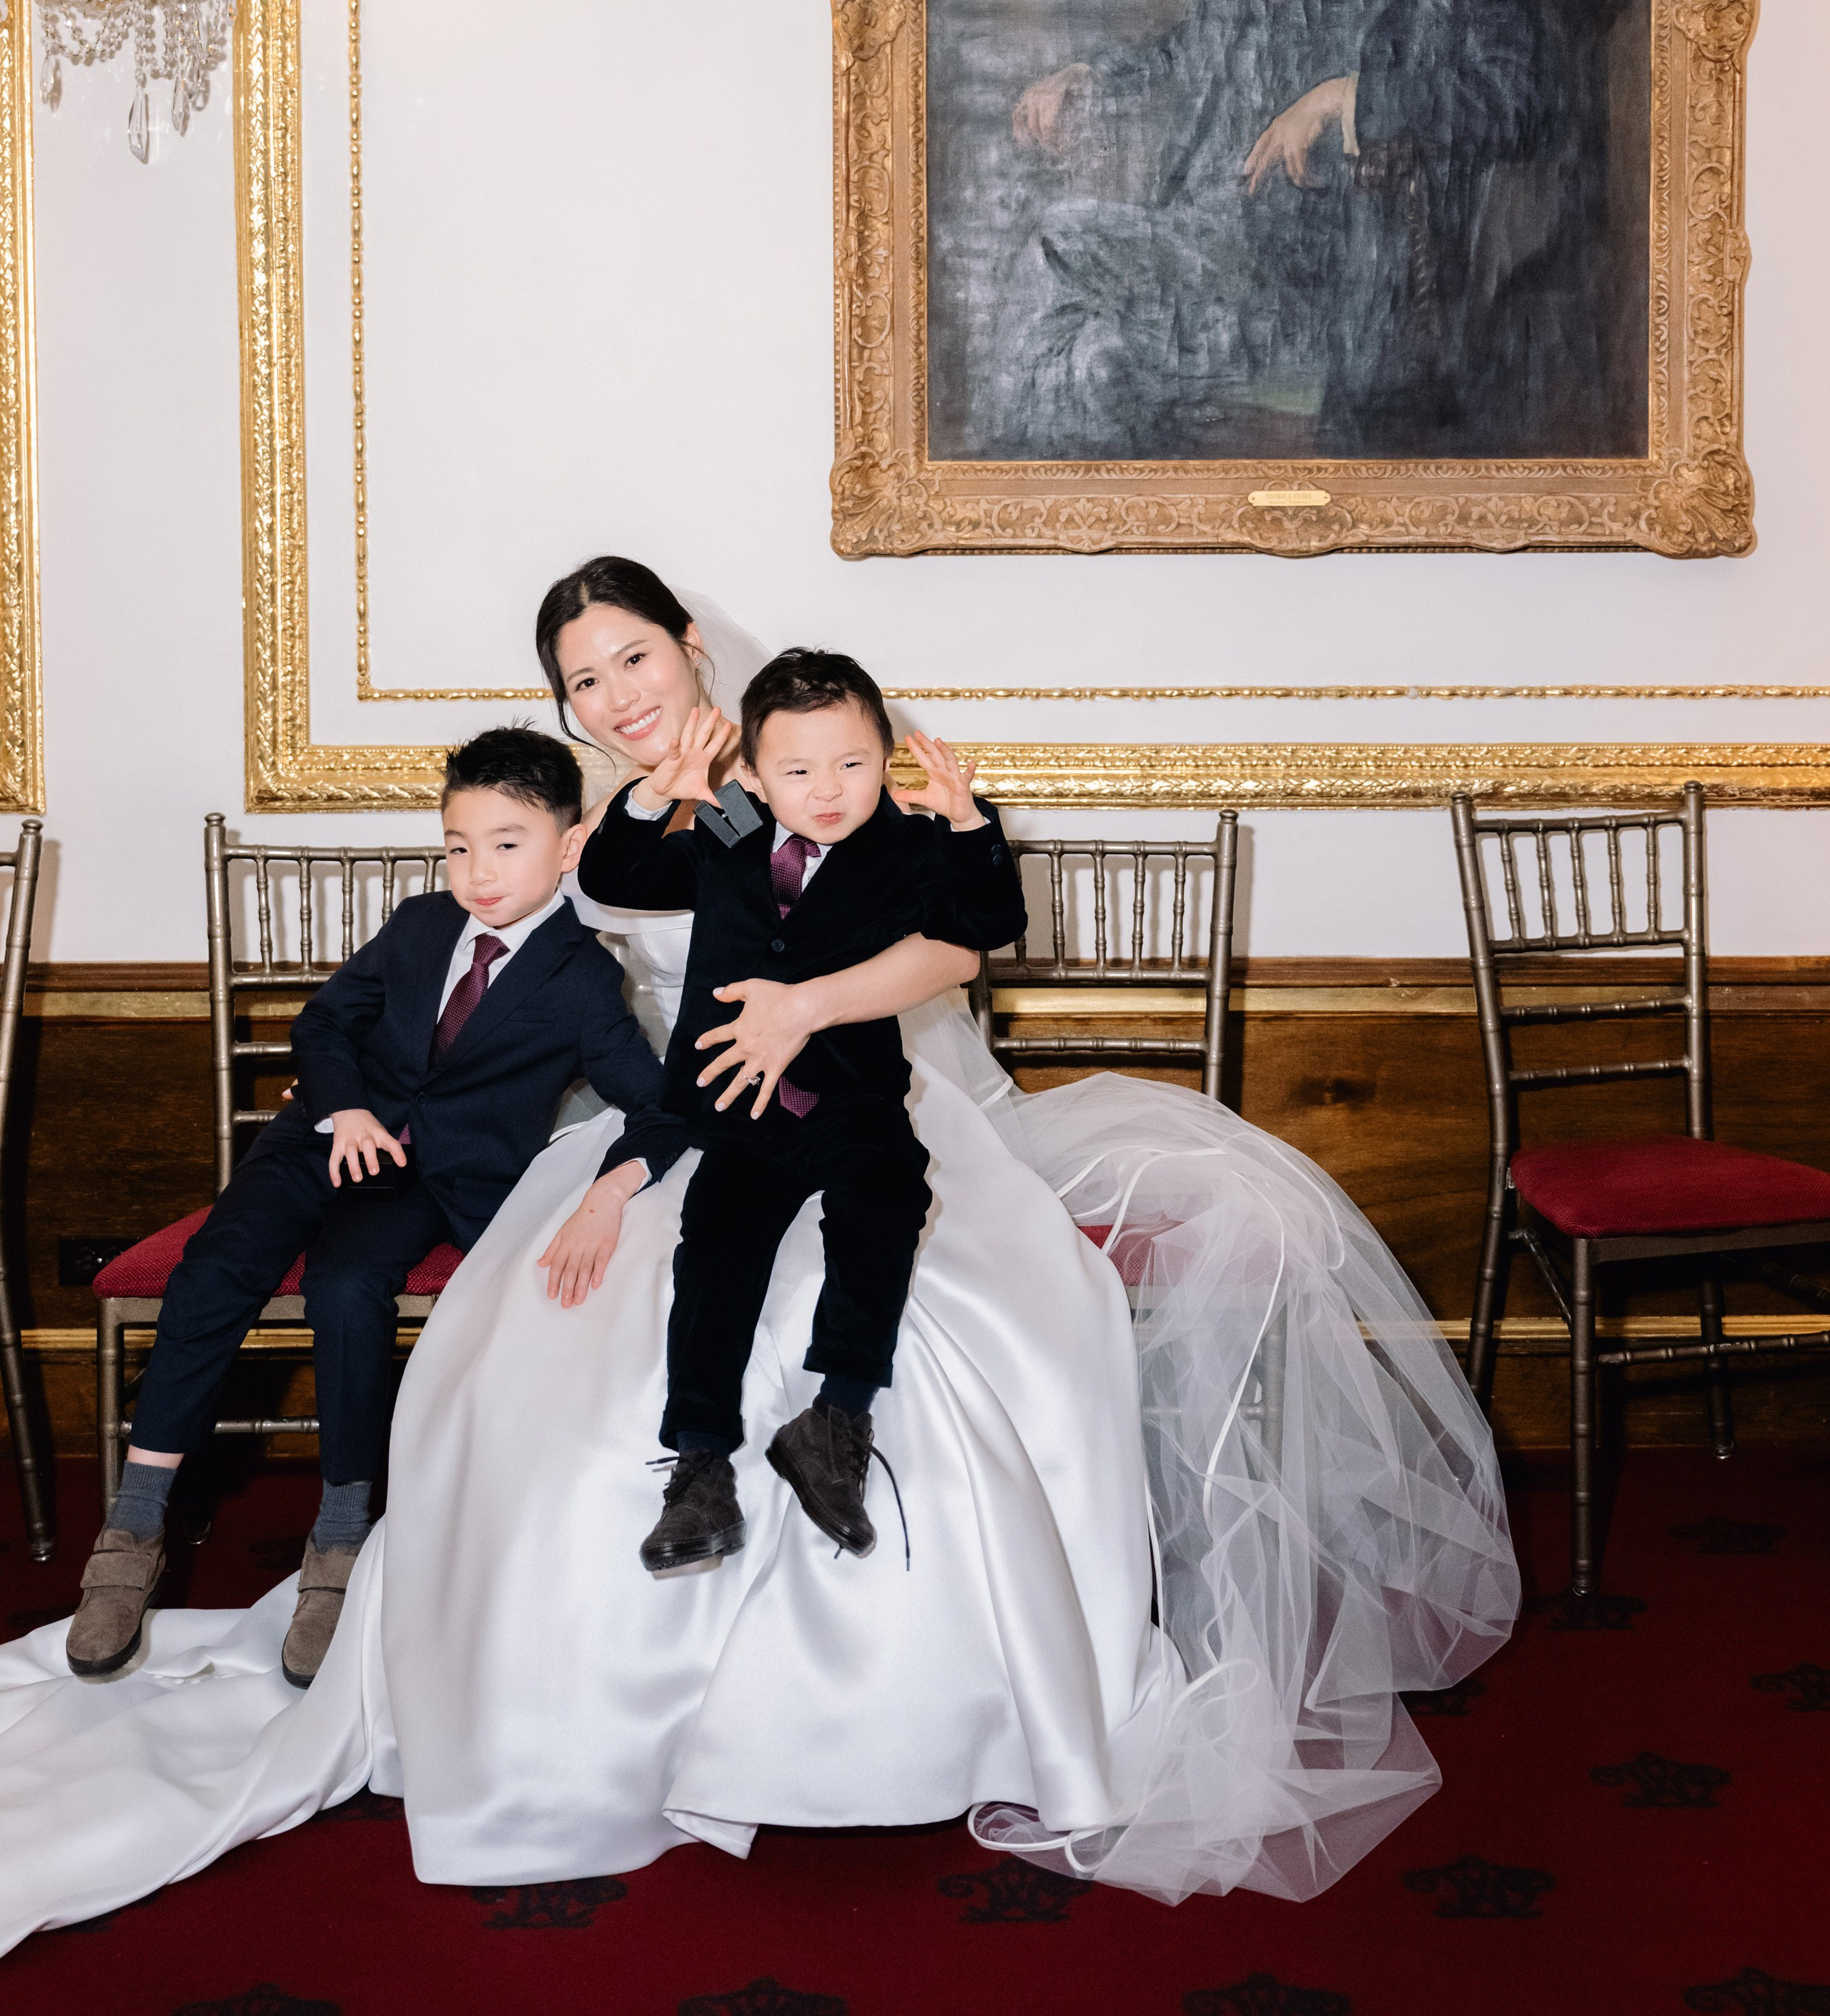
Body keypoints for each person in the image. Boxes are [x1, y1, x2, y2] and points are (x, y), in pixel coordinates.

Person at [0, 557, 1516, 1945]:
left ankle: (923, 1694)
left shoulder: (808, 758)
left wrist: (802, 1007)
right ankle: (580, 1695)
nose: (615, 696)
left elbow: (946, 941)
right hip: (684, 1122)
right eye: (581, 681)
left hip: (869, 1086)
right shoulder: (600, 833)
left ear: (688, 647)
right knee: (568, 1343)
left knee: (938, 1323)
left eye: (633, 659)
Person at [62, 728, 686, 1693]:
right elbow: (325, 1021)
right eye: (458, 844)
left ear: (569, 847)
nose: (478, 871)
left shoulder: (582, 981)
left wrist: (613, 1189)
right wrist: (344, 1105)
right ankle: (135, 1519)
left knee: (351, 1287)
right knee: (222, 1263)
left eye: (508, 844)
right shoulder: (418, 924)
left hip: (423, 1184)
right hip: (320, 1135)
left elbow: (661, 1107)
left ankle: (341, 1539)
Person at [1004, 0, 1556, 456]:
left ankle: (1008, 490)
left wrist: (1353, 99)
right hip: (1200, 241)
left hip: (1330, 279)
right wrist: (1092, 77)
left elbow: (1521, 107)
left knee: (1051, 243)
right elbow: (1193, 48)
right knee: (1095, 366)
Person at [575, 651, 1025, 1572]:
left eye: (852, 764)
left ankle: (837, 1415)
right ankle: (699, 1463)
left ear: (886, 755)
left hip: (849, 1091)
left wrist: (970, 821)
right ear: (758, 771)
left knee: (886, 1193)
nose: (826, 791)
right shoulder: (737, 822)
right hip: (736, 1104)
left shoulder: (903, 841)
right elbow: (624, 876)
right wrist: (658, 791)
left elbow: (987, 924)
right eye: (798, 770)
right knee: (716, 1253)